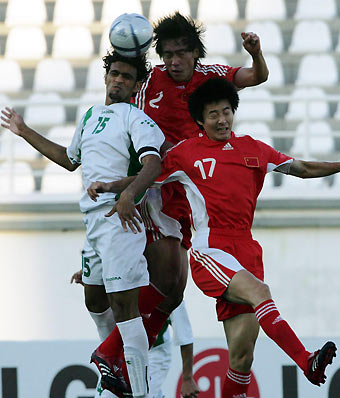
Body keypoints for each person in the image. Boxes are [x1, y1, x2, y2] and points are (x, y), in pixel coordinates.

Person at [144, 77, 340, 396]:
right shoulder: (185, 154)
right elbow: (145, 180)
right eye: (213, 114)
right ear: (200, 120)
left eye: (226, 111)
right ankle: (306, 360)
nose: (222, 119)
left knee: (241, 359)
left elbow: (302, 168)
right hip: (210, 249)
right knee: (261, 292)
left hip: (247, 251)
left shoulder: (253, 148)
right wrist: (111, 191)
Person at [91, 13, 269, 393]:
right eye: (167, 53)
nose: (173, 60)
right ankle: (112, 352)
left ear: (194, 53)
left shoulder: (212, 75)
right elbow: (115, 109)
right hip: (156, 189)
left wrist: (256, 53)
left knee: (172, 292)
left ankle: (113, 352)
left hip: (190, 195)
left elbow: (257, 77)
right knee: (169, 281)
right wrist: (128, 186)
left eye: (181, 53)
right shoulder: (148, 82)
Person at [0, 51, 166, 398]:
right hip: (92, 222)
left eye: (127, 77)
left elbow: (153, 164)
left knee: (125, 307)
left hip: (120, 219)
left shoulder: (137, 119)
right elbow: (69, 159)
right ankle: (115, 374)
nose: (119, 80)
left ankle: (139, 392)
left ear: (136, 86)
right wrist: (24, 130)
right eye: (115, 74)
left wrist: (128, 194)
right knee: (94, 300)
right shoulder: (90, 116)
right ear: (106, 77)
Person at [71, 272, 199, 398]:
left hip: (154, 354)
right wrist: (92, 278)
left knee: (139, 393)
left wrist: (187, 379)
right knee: (107, 393)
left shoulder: (168, 286)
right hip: (119, 350)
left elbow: (184, 335)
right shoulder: (125, 272)